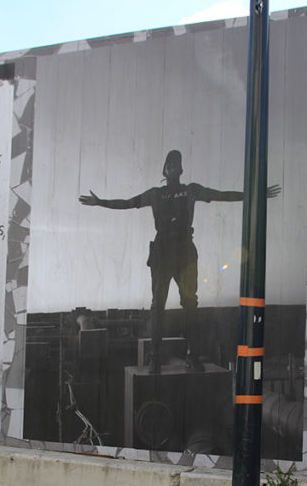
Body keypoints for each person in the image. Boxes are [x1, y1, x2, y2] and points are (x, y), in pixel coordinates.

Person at [80, 150, 278, 373]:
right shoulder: (156, 194)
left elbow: (222, 194)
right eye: (170, 163)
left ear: (181, 169)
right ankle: (155, 357)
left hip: (185, 251)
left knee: (190, 304)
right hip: (163, 251)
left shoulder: (191, 190)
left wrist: (255, 193)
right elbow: (128, 203)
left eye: (177, 163)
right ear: (165, 170)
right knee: (158, 306)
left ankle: (192, 355)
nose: (173, 166)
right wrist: (100, 202)